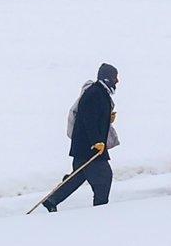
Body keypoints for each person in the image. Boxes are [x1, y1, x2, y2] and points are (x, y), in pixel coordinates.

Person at [43, 63, 120, 212]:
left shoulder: (98, 93)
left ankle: (52, 200)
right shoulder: (95, 93)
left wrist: (106, 119)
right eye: (114, 77)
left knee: (77, 177)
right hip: (90, 148)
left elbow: (91, 116)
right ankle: (100, 211)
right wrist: (96, 141)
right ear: (107, 78)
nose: (117, 81)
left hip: (84, 146)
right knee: (104, 177)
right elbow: (88, 119)